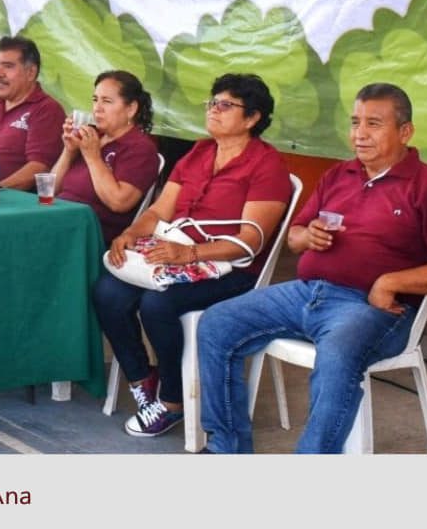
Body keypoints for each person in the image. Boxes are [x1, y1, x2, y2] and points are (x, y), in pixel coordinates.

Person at [197, 82, 427, 454]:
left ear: (404, 131)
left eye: (374, 124)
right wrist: (307, 236)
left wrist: (391, 281)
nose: (360, 134)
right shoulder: (338, 175)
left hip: (368, 308)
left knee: (339, 355)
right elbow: (293, 237)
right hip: (305, 292)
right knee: (217, 323)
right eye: (355, 122)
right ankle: (225, 449)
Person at [95, 73, 292, 437]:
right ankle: (144, 380)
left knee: (158, 305)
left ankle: (173, 401)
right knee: (107, 290)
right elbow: (157, 213)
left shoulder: (267, 165)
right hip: (178, 255)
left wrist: (188, 253)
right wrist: (128, 235)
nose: (213, 110)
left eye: (225, 105)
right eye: (212, 102)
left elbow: (250, 241)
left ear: (251, 118)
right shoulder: (199, 152)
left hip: (229, 269)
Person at [51, 70, 159, 245]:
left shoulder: (140, 148)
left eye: (107, 101)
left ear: (131, 108)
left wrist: (93, 158)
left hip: (88, 233)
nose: (97, 108)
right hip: (59, 217)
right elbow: (51, 190)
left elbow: (119, 202)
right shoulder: (93, 138)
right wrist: (69, 151)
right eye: (95, 100)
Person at [0, 35, 65, 190]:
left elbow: (39, 168)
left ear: (31, 72)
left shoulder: (46, 110)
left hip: (15, 204)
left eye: (8, 66)